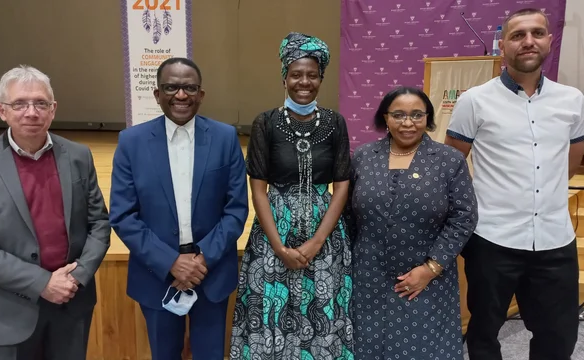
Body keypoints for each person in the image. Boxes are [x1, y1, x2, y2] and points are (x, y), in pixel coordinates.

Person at [445, 8, 584, 360]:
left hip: (555, 239)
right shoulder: (474, 101)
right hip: (493, 238)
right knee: (483, 332)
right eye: (517, 35)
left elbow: (570, 164)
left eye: (537, 33)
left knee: (559, 335)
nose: (528, 41)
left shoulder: (571, 100)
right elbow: (451, 167)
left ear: (549, 41)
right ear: (502, 45)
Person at [0, 65, 111, 360]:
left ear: (53, 109)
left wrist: (76, 277)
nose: (31, 112)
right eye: (20, 104)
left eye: (41, 103)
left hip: (71, 304)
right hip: (7, 312)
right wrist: (41, 283)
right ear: (2, 110)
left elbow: (99, 224)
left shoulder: (78, 156)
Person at [109, 57, 249, 360]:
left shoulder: (225, 138)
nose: (181, 95)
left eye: (189, 88)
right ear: (158, 94)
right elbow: (122, 215)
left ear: (201, 94)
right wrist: (170, 261)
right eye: (171, 87)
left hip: (210, 274)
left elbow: (236, 209)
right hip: (156, 275)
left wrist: (202, 260)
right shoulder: (131, 142)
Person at [230, 32, 353, 360]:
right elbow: (258, 189)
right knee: (272, 310)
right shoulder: (266, 123)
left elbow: (341, 186)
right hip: (274, 230)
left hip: (324, 232)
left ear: (321, 78)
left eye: (312, 75)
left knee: (320, 310)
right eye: (296, 74)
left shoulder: (334, 123)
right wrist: (279, 246)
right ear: (284, 78)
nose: (304, 81)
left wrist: (315, 242)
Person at [347, 86, 478, 360]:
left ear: (428, 118)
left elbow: (464, 217)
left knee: (422, 349)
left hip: (427, 279)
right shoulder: (363, 157)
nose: (408, 123)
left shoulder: (448, 160)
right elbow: (348, 214)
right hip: (368, 277)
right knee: (367, 347)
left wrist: (431, 268)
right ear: (386, 117)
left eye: (417, 115)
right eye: (399, 115)